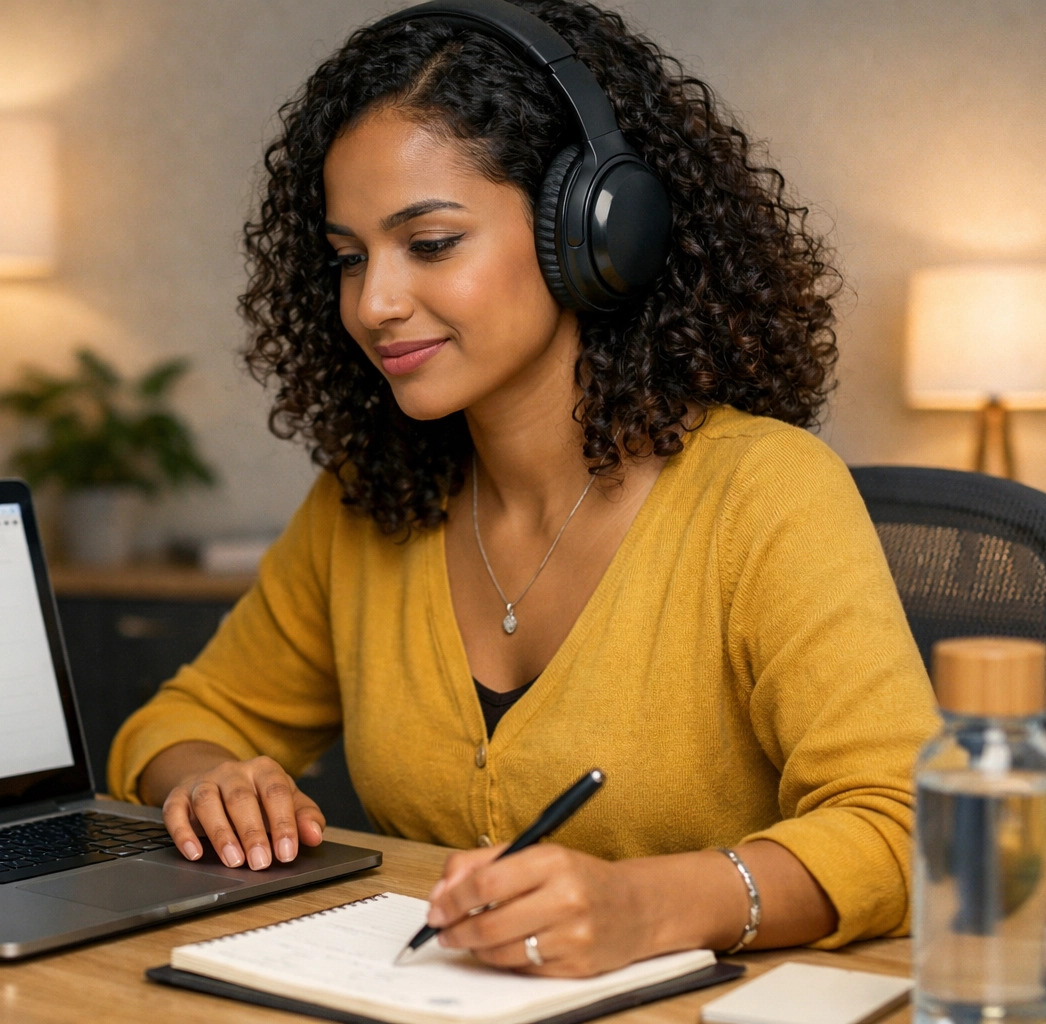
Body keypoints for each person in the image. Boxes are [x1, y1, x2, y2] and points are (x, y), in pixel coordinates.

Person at [109, 0, 939, 978]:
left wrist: (650, 904)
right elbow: (174, 724)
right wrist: (209, 781)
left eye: (429, 243)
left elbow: (909, 826)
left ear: (594, 233)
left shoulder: (763, 495)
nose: (373, 304)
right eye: (348, 257)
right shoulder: (364, 504)